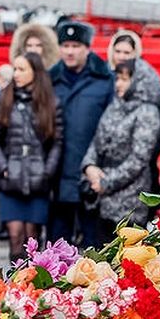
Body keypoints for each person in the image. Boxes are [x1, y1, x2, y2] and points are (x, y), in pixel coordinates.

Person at [0, 52, 61, 260]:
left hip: (38, 182)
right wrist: (4, 167)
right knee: (15, 237)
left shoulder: (50, 103)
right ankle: (15, 279)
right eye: (15, 69)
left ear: (35, 72)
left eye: (21, 69)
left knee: (33, 238)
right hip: (11, 181)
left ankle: (35, 280)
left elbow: (57, 142)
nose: (16, 74)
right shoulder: (6, 99)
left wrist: (47, 172)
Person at [48, 20, 114, 248]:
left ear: (87, 48)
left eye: (75, 46)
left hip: (92, 175)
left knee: (93, 248)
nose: (70, 51)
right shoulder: (50, 79)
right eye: (65, 46)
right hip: (57, 177)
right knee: (57, 247)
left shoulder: (105, 80)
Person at [82, 59, 160, 235]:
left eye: (125, 79)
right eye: (117, 78)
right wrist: (89, 166)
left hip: (129, 200)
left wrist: (106, 182)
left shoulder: (147, 112)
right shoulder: (115, 105)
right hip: (102, 197)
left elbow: (139, 159)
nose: (118, 84)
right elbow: (97, 141)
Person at [107, 30, 160, 191]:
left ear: (136, 54)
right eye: (118, 51)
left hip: (141, 163)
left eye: (127, 52)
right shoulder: (103, 77)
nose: (121, 56)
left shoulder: (150, 81)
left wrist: (146, 154)